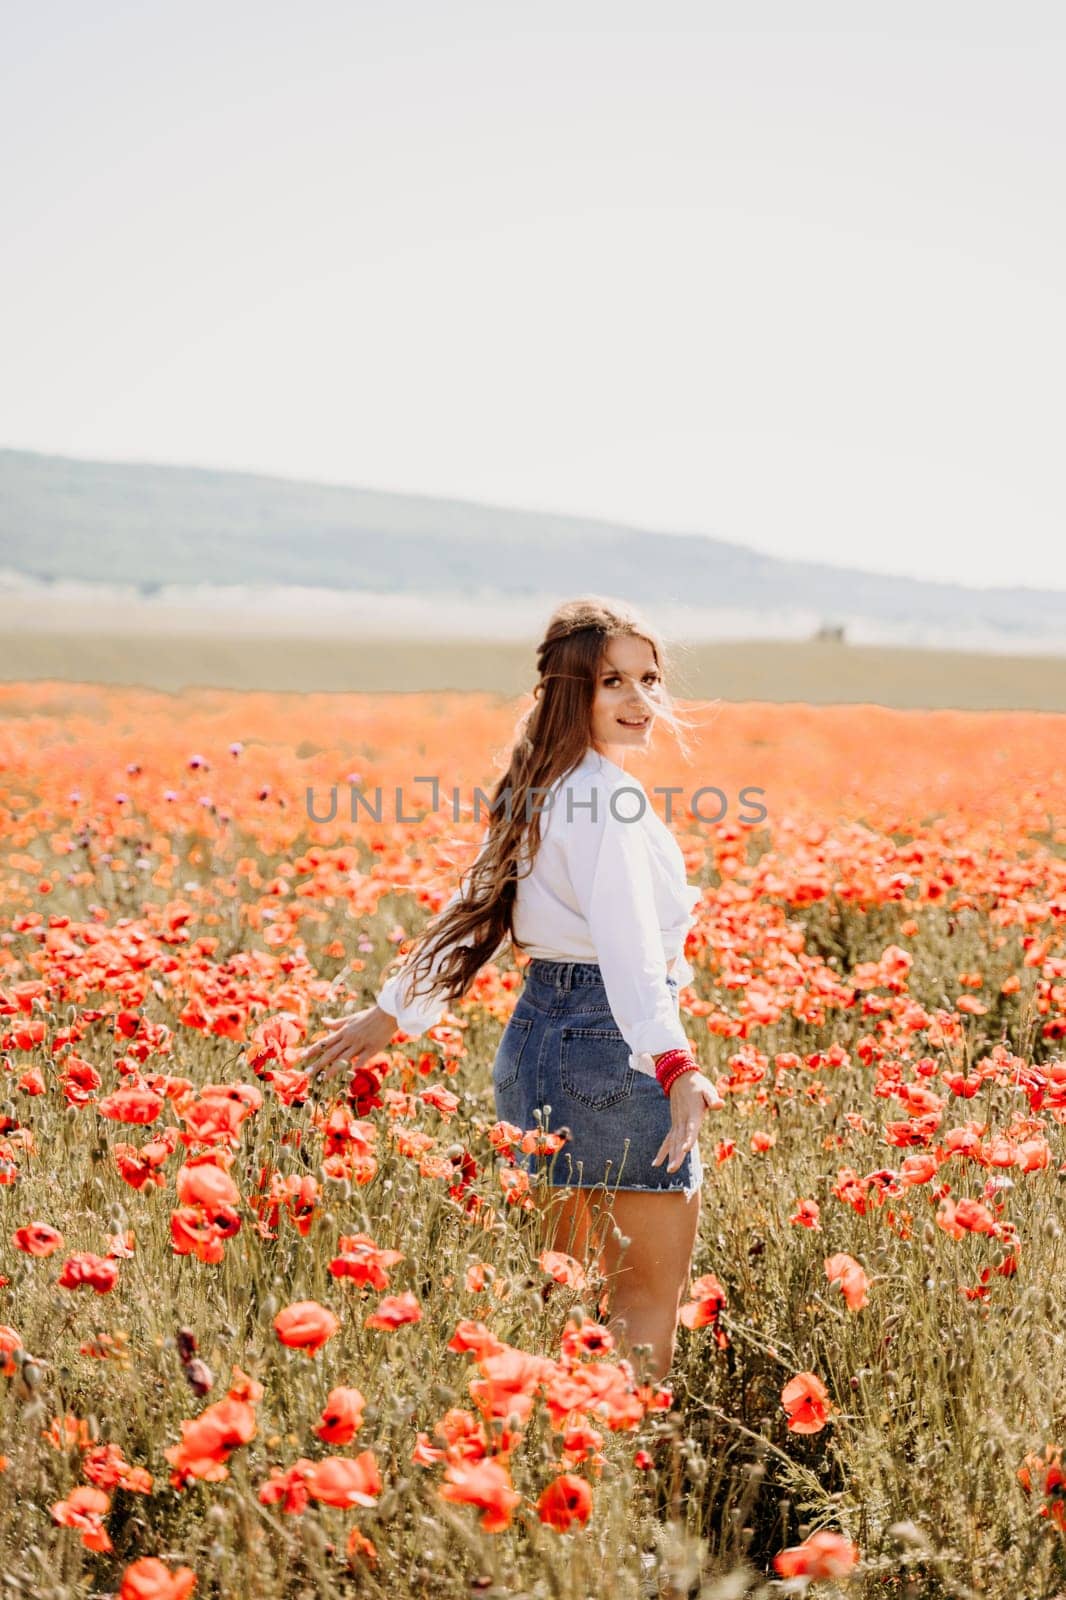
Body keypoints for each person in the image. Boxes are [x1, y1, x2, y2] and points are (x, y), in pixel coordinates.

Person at [301, 596, 724, 1382]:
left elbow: (480, 907)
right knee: (641, 1304)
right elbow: (630, 952)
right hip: (612, 1048)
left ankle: (556, 1472)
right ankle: (627, 1482)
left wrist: (395, 1010)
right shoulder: (609, 799)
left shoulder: (545, 786)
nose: (640, 701)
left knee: (562, 1305)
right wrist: (674, 1065)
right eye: (613, 683)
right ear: (572, 692)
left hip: (537, 1043)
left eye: (649, 680)